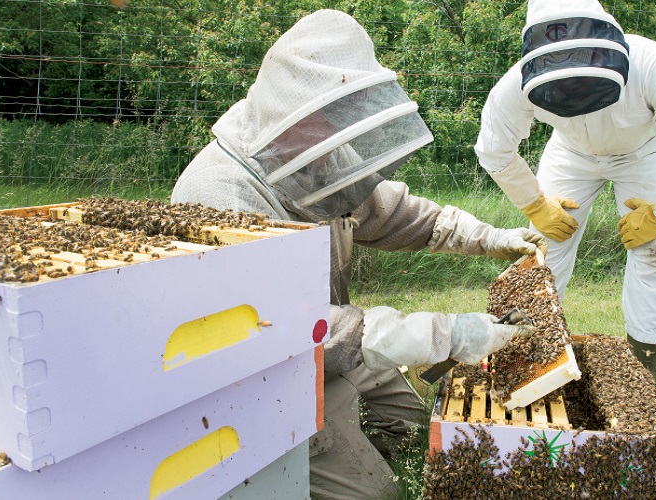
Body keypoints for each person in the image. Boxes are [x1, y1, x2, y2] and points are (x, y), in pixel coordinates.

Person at [172, 9, 543, 499]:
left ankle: (354, 440)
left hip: (334, 344)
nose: (334, 138)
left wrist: (487, 236)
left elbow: (396, 213)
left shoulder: (316, 149)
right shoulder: (219, 196)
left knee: (414, 429)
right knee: (376, 495)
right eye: (325, 120)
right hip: (264, 374)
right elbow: (273, 327)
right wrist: (443, 333)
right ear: (290, 110)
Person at [475, 0, 656, 380]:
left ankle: (642, 362)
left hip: (645, 153)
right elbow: (493, 150)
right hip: (571, 153)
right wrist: (534, 204)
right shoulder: (515, 83)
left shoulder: (655, 66)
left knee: (654, 251)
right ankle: (530, 351)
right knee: (545, 247)